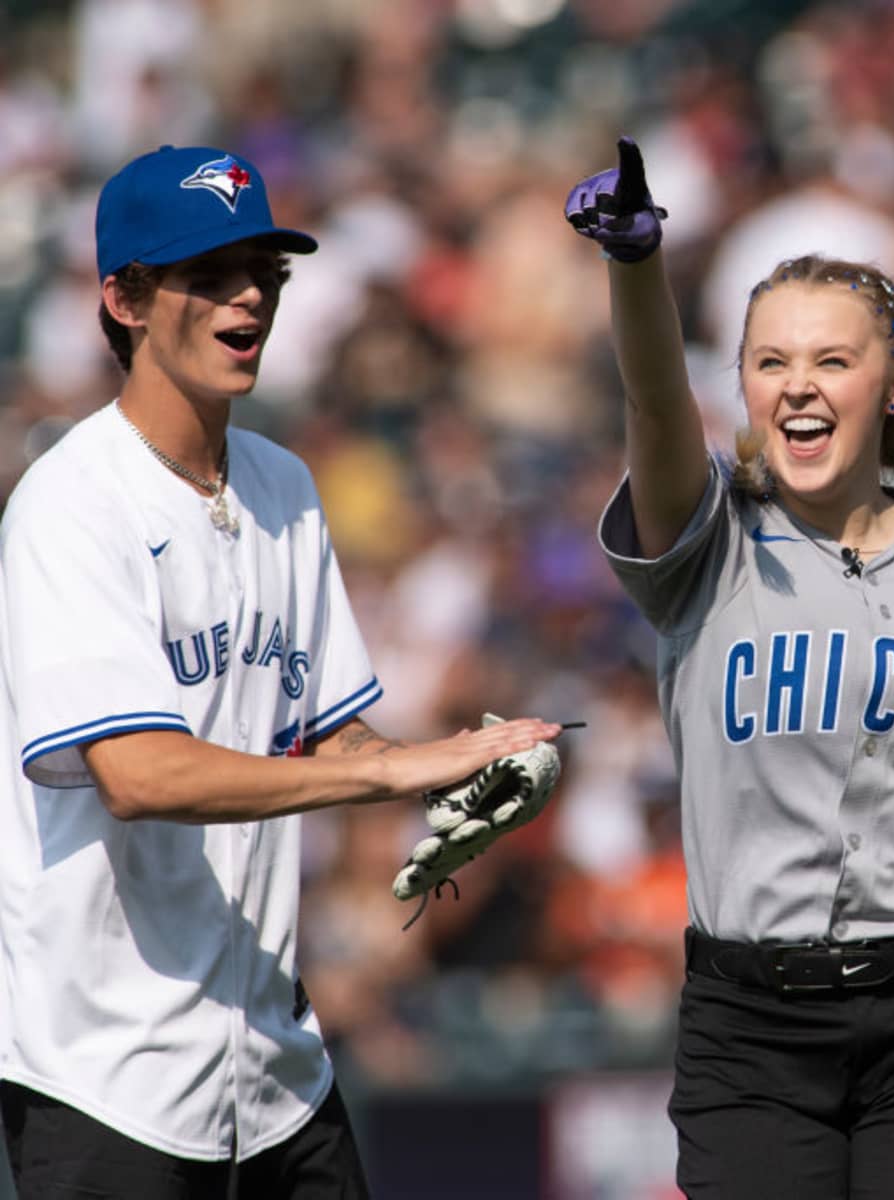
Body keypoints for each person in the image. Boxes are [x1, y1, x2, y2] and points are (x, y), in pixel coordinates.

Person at [0, 144, 563, 1199]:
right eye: (208, 274)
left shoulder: (286, 484)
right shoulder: (69, 503)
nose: (248, 294)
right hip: (104, 1076)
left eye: (264, 270)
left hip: (272, 1068)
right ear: (123, 298)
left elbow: (336, 741)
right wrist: (390, 776)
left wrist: (470, 768)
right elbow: (141, 776)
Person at [564, 138, 894, 1200]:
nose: (798, 387)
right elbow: (653, 407)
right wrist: (635, 269)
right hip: (750, 1020)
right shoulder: (704, 542)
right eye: (770, 363)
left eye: (831, 360)